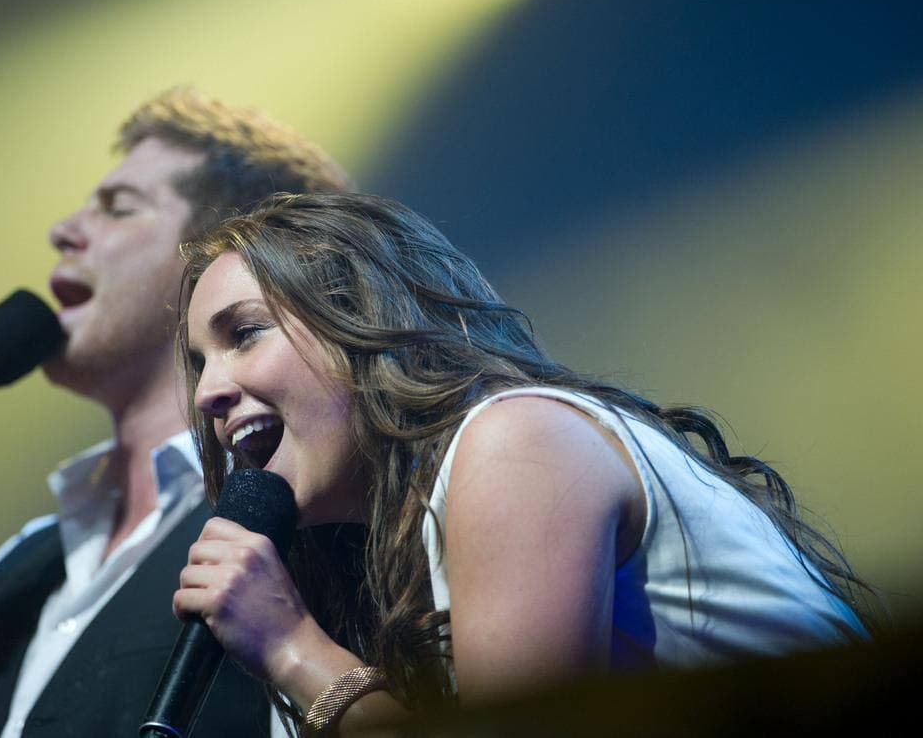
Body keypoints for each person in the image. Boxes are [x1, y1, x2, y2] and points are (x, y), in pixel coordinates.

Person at [174, 192, 874, 735]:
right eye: (200, 364)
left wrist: (295, 649)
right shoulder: (381, 554)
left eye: (245, 333)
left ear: (361, 323)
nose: (209, 392)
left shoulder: (518, 440)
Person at [0, 88, 353, 738]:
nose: (63, 230)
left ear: (220, 256)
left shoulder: (301, 520)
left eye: (117, 207)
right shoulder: (28, 560)